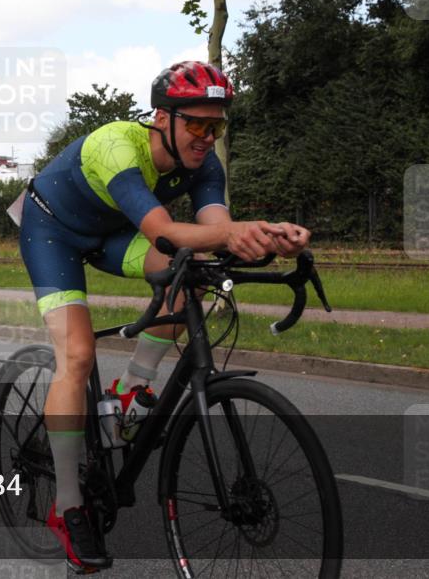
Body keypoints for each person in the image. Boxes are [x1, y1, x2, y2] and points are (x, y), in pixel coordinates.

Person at [17, 61, 311, 571]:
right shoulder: (118, 145)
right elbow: (164, 230)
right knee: (79, 356)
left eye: (215, 125)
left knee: (197, 274)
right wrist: (236, 231)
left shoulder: (205, 162)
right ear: (162, 118)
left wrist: (266, 239)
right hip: (52, 231)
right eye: (196, 124)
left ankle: (132, 391)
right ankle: (67, 506)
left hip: (112, 234)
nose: (206, 136)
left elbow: (215, 229)